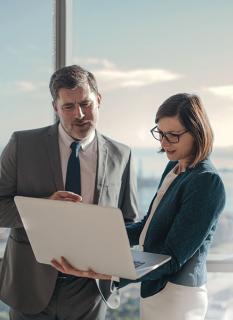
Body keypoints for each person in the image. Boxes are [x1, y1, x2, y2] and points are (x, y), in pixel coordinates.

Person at [52, 93, 226, 320]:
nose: (164, 144)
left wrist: (108, 272)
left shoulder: (206, 181)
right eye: (161, 134)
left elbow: (172, 257)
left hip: (178, 296)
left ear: (197, 131)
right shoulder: (175, 168)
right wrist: (92, 237)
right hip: (156, 290)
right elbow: (147, 227)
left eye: (173, 136)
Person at [0, 65, 138, 320]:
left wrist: (113, 264)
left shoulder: (122, 155)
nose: (80, 114)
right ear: (55, 107)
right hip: (30, 285)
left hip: (90, 292)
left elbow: (128, 221)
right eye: (68, 107)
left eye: (86, 104)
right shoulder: (22, 145)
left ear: (99, 99)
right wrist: (42, 210)